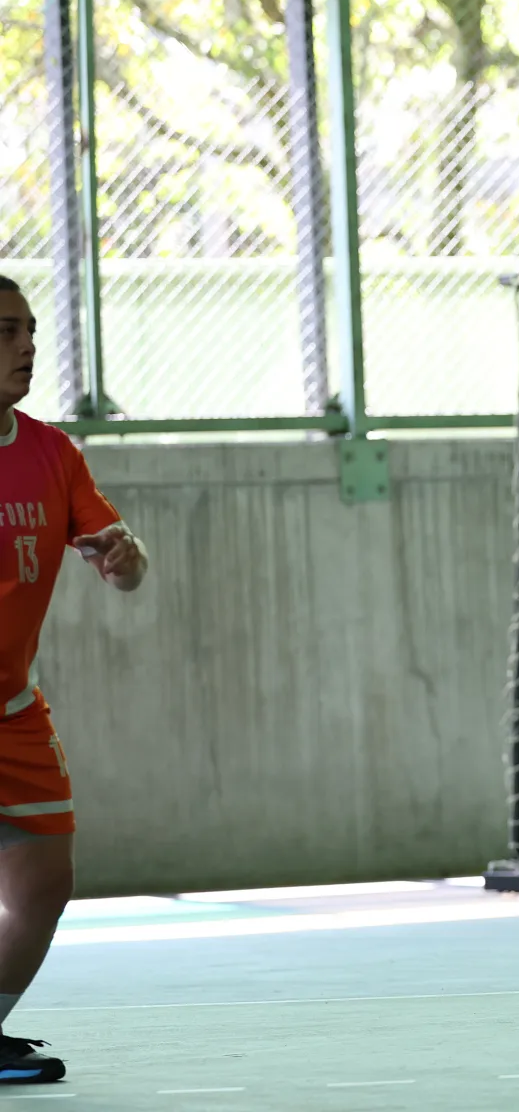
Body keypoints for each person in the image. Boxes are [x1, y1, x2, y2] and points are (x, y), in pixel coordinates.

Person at [0, 276, 150, 1083]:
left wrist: (125, 559)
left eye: (30, 328)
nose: (27, 345)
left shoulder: (53, 454)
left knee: (45, 881)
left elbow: (122, 565)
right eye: (6, 330)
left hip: (13, 712)